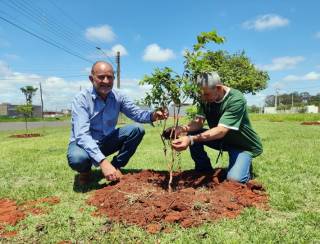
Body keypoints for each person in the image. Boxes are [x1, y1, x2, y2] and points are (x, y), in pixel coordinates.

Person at [67, 61, 168, 184]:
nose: (106, 81)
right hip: (83, 144)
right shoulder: (81, 99)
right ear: (91, 78)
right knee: (78, 159)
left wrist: (153, 115)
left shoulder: (119, 96)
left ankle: (115, 166)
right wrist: (103, 162)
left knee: (136, 130)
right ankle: (85, 171)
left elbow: (136, 113)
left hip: (106, 141)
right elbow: (82, 135)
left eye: (109, 77)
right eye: (101, 77)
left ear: (114, 79)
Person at [171, 72, 262, 183]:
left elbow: (221, 131)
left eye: (206, 94)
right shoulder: (205, 98)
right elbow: (198, 123)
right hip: (221, 140)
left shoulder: (236, 99)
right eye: (201, 95)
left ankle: (244, 165)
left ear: (218, 88)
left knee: (235, 180)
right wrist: (181, 128)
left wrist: (190, 139)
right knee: (192, 134)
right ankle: (204, 170)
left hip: (241, 145)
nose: (203, 98)